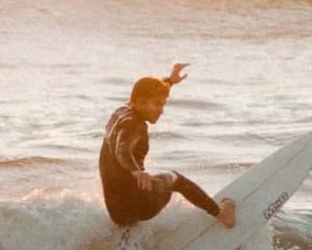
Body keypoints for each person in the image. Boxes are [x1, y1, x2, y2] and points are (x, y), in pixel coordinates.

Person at [99, 62, 236, 231]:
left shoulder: (121, 111)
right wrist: (136, 170)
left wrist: (169, 81)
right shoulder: (134, 125)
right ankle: (222, 214)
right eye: (157, 105)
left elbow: (142, 93)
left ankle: (133, 248)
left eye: (163, 104)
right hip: (141, 206)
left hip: (118, 213)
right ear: (141, 102)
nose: (161, 111)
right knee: (175, 178)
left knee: (130, 190)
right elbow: (123, 148)